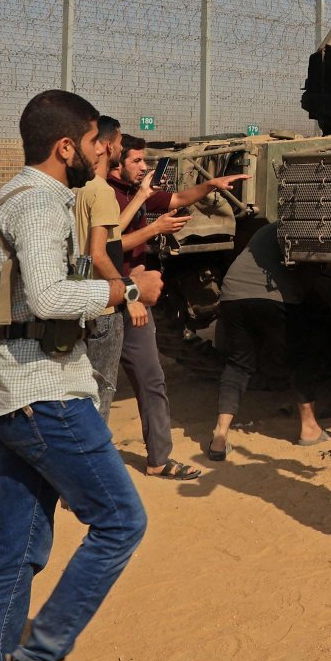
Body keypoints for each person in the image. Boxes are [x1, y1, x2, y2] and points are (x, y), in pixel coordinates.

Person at [0, 90, 163, 661]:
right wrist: (126, 292)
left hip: (20, 395)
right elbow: (50, 298)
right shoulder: (43, 206)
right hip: (46, 393)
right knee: (122, 522)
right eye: (100, 143)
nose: (108, 152)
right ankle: (39, 655)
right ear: (67, 146)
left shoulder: (10, 198)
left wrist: (1, 402)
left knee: (17, 550)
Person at [109, 134, 245, 481]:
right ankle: (82, 474)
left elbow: (178, 198)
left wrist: (210, 185)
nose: (144, 166)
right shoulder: (104, 193)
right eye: (137, 161)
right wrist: (155, 229)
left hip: (135, 297)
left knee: (152, 378)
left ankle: (158, 459)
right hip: (111, 297)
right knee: (97, 386)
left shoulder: (136, 189)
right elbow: (104, 249)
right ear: (117, 161)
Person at [206, 222, 329, 458]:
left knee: (238, 364)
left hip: (232, 292)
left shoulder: (268, 229)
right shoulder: (307, 227)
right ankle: (310, 429)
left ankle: (220, 436)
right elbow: (306, 278)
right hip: (270, 296)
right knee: (300, 357)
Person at [72, 115, 148, 417]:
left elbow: (86, 253)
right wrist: (130, 294)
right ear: (105, 146)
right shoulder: (102, 192)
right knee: (100, 393)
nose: (120, 147)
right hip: (105, 308)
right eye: (118, 142)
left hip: (83, 301)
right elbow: (99, 254)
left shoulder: (80, 189)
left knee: (80, 391)